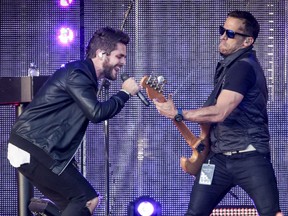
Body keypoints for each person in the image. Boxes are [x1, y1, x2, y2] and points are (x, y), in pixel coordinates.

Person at [153, 10, 283, 216]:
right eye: (222, 30)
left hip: (249, 156)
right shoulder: (227, 67)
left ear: (247, 41)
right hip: (219, 159)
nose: (223, 36)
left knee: (271, 213)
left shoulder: (243, 67)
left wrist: (178, 112)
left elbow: (220, 113)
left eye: (230, 34)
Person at [7, 26, 140, 216]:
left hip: (37, 148)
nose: (123, 62)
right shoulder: (78, 73)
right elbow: (96, 113)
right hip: (33, 147)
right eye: (119, 56)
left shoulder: (84, 76)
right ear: (102, 54)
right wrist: (125, 93)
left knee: (76, 206)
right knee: (86, 199)